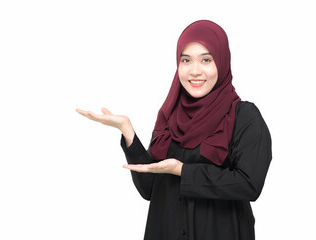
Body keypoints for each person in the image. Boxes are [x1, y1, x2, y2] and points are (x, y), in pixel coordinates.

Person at [76, 20, 272, 240]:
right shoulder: (170, 115)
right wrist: (128, 132)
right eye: (186, 60)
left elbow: (249, 184)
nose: (195, 71)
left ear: (222, 62)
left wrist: (182, 171)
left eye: (206, 60)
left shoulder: (244, 116)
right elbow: (149, 190)